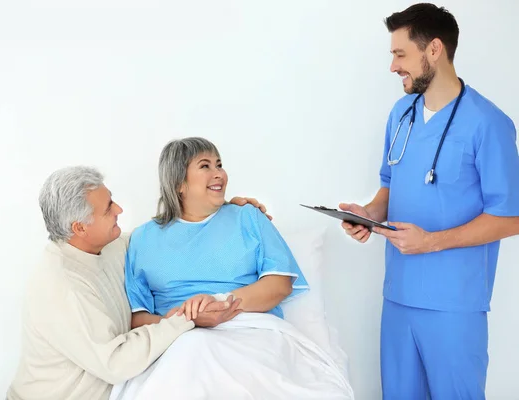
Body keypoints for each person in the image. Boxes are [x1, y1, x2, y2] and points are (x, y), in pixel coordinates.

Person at [339, 3, 519, 399]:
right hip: (398, 298)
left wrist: (432, 241)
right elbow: (391, 184)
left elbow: (510, 218)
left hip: (454, 306)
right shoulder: (401, 114)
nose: (393, 67)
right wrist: (368, 214)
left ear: (434, 49)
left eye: (400, 54)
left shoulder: (489, 124)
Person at [117, 137, 354, 399]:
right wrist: (185, 321)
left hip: (250, 331)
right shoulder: (143, 239)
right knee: (191, 348)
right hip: (178, 338)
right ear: (179, 183)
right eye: (205, 166)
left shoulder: (248, 217)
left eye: (219, 164)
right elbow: (137, 318)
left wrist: (217, 304)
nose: (219, 173)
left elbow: (279, 285)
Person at [7, 166, 265, 400]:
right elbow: (116, 363)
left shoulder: (106, 246)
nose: (119, 210)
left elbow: (159, 240)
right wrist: (187, 319)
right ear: (80, 228)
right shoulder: (61, 287)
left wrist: (222, 211)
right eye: (109, 208)